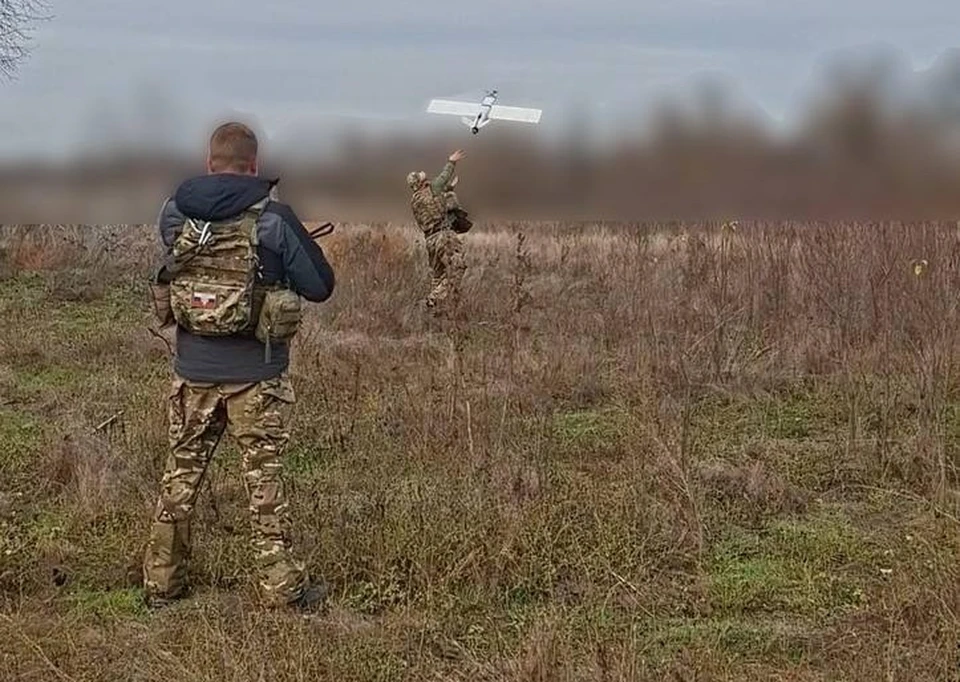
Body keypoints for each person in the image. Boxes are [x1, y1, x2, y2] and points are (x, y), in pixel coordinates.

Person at [143, 121, 335, 612]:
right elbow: (319, 285)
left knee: (180, 477)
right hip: (257, 377)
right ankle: (281, 590)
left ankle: (162, 585)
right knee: (263, 484)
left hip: (192, 371)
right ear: (254, 165)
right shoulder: (273, 218)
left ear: (209, 163)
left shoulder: (173, 213)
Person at [407, 149, 471, 313]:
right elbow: (442, 178)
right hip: (444, 237)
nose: (424, 176)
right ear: (420, 183)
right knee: (457, 268)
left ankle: (435, 314)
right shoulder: (432, 188)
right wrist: (452, 161)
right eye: (422, 178)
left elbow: (434, 201)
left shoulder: (415, 201)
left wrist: (449, 188)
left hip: (431, 241)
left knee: (438, 276)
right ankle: (432, 300)